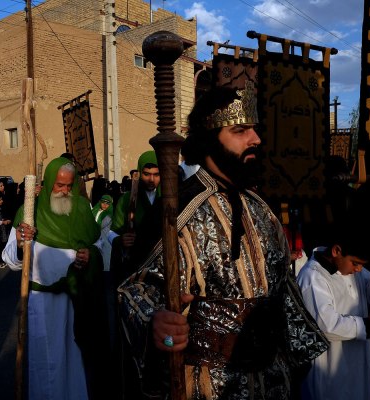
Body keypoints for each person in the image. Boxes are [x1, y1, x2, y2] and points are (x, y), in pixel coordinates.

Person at [117, 84, 329, 399]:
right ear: (209, 138)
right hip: (208, 386)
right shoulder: (177, 209)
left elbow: (285, 290)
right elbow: (134, 290)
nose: (255, 139)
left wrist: (296, 362)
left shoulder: (262, 209)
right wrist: (155, 320)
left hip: (272, 382)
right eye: (240, 130)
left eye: (255, 130)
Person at [1, 157, 109, 400]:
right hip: (43, 301)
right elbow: (10, 259)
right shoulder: (30, 211)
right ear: (49, 182)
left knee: (75, 358)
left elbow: (98, 243)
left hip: (76, 298)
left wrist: (89, 254)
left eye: (69, 186)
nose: (64, 191)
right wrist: (20, 240)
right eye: (59, 185)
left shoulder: (81, 208)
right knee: (47, 362)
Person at [296, 223, 370, 400]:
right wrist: (367, 324)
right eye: (355, 263)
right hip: (330, 369)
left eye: (361, 265)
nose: (358, 269)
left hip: (360, 363)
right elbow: (324, 325)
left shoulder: (353, 270)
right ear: (336, 251)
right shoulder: (312, 277)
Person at [110, 150, 161, 285]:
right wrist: (120, 239)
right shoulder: (127, 199)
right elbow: (112, 231)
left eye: (156, 175)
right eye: (147, 174)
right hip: (135, 263)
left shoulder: (168, 197)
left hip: (161, 263)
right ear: (139, 173)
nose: (151, 179)